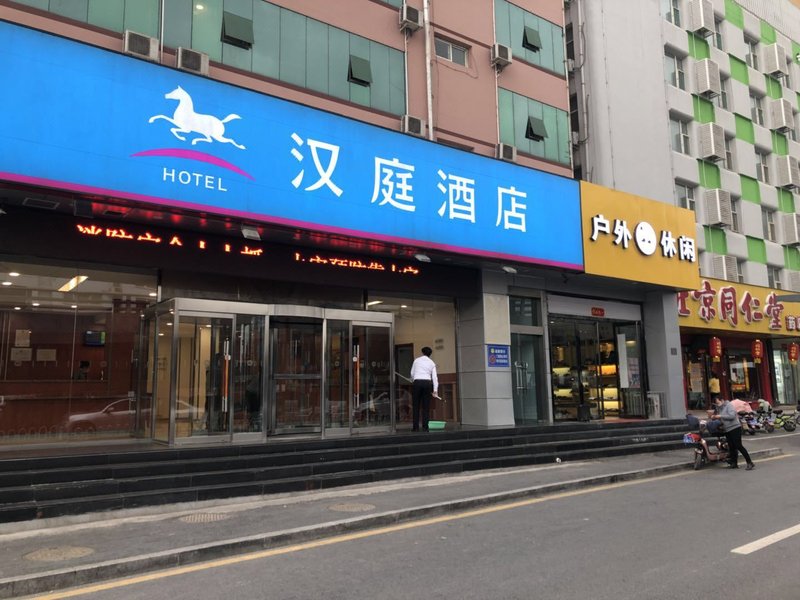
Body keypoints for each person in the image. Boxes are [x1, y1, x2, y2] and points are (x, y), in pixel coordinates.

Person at [714, 396, 754, 470]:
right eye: (716, 403)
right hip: (727, 429)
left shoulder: (729, 405)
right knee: (731, 446)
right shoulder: (719, 408)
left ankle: (749, 462)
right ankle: (734, 463)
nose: (717, 404)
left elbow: (732, 416)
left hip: (734, 427)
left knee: (738, 445)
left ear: (722, 400)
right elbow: (722, 418)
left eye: (718, 402)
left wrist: (720, 416)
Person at [410, 346, 438, 432]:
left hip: (417, 383)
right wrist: (435, 390)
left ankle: (415, 427)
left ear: (422, 353)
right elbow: (434, 377)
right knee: (426, 406)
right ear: (430, 354)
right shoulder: (432, 363)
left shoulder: (416, 360)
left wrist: (413, 379)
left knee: (416, 406)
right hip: (427, 384)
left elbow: (412, 373)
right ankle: (425, 427)